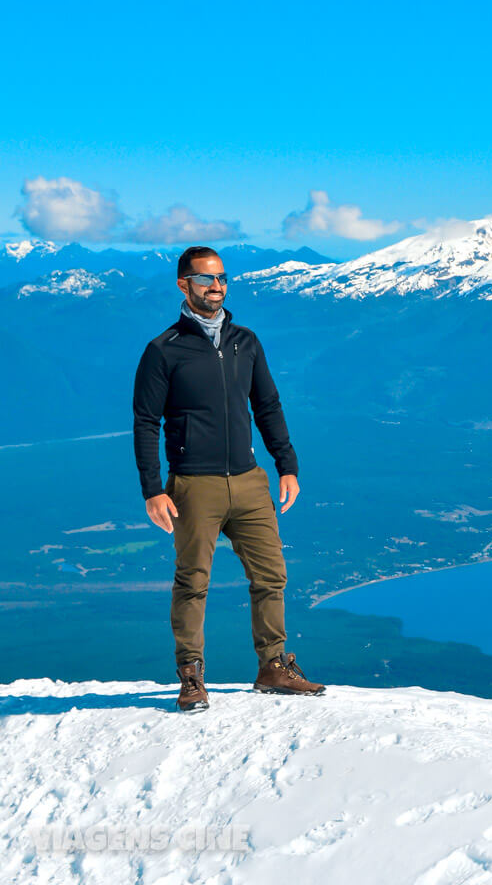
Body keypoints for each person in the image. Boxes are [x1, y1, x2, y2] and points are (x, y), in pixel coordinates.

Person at [132, 245, 325, 711]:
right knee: (193, 581)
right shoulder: (164, 350)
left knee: (271, 576)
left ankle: (273, 667)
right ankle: (192, 677)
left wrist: (287, 465)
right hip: (193, 485)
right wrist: (153, 490)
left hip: (249, 480)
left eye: (221, 278)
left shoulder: (246, 341)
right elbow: (145, 422)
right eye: (205, 279)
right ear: (184, 285)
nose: (216, 287)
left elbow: (268, 406)